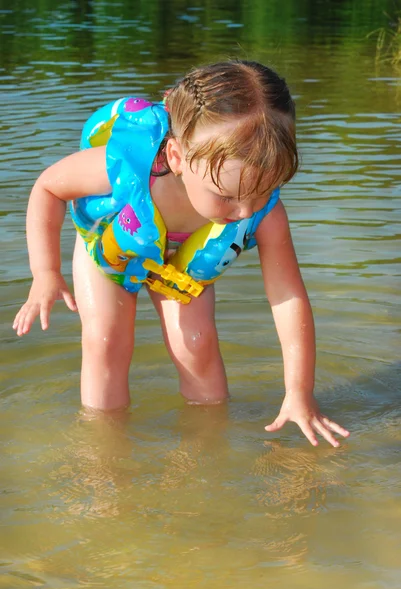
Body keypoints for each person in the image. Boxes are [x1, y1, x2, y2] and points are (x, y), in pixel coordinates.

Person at [13, 59, 350, 447]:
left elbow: (288, 297)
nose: (245, 212)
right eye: (226, 195)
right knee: (106, 342)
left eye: (262, 191)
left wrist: (299, 393)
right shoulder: (125, 163)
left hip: (183, 269)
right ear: (176, 158)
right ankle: (105, 455)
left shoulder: (265, 211)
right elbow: (48, 188)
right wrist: (45, 273)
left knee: (198, 346)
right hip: (113, 249)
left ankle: (205, 453)